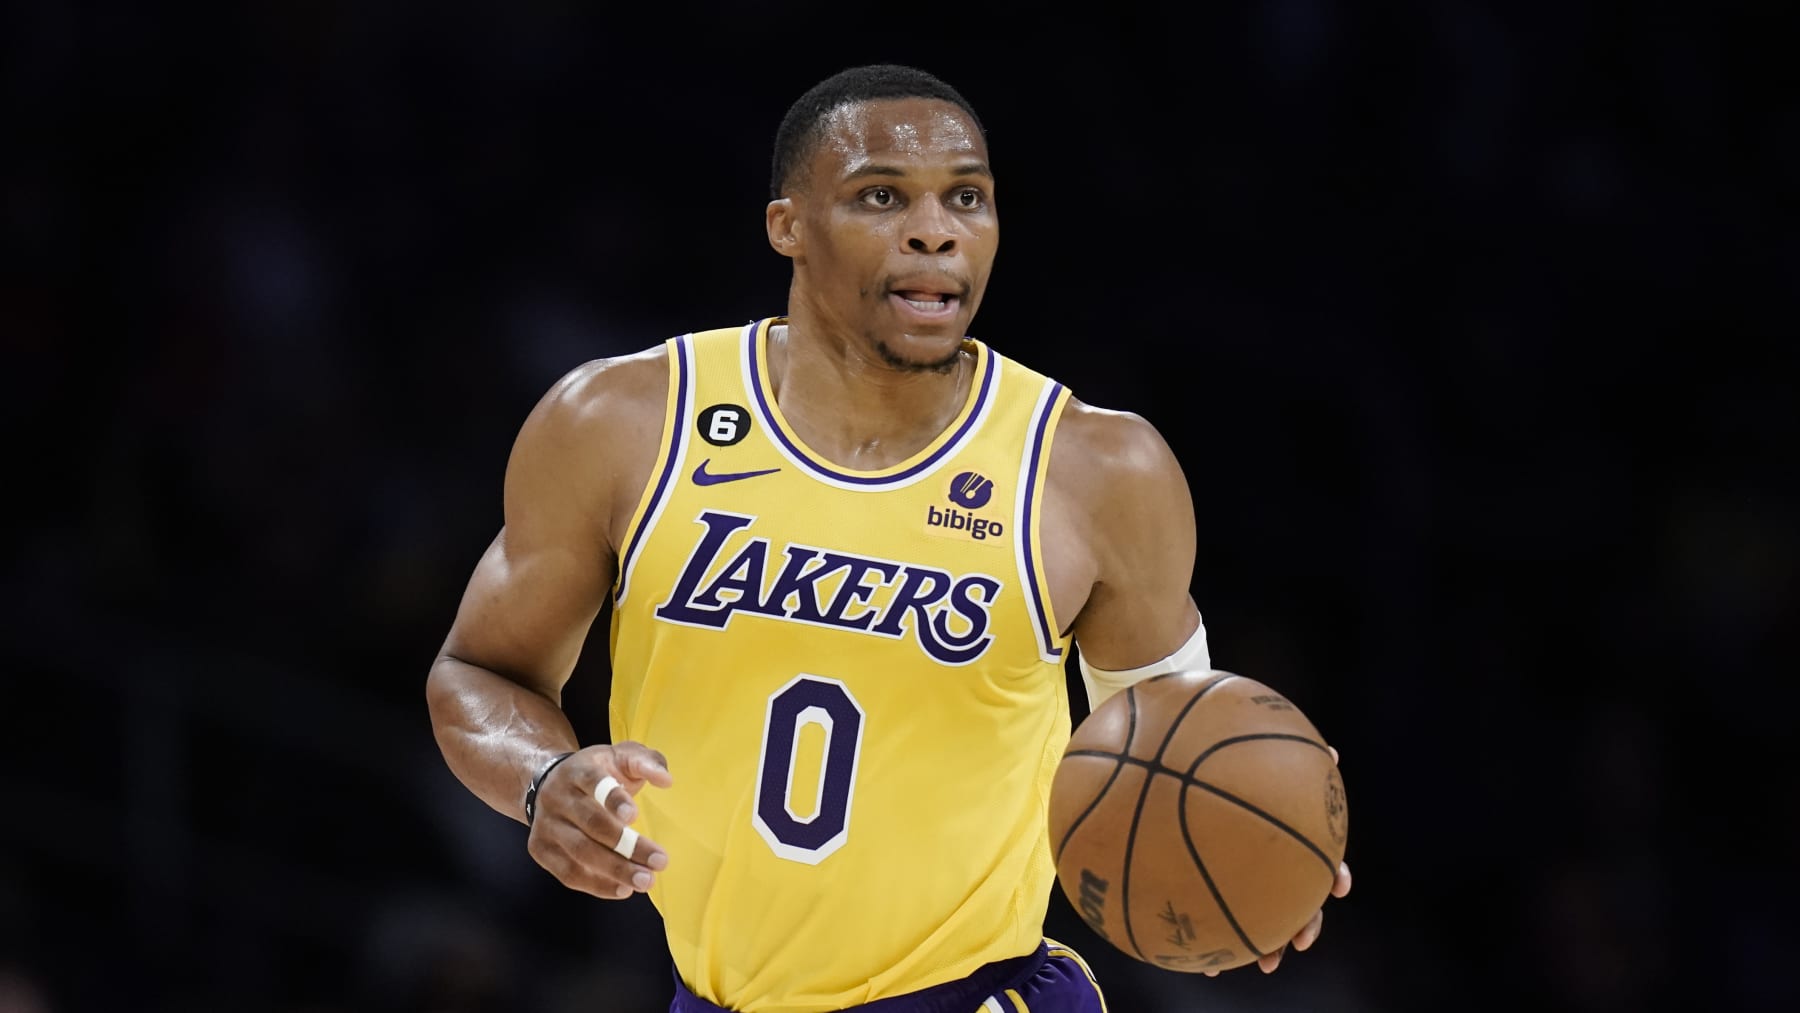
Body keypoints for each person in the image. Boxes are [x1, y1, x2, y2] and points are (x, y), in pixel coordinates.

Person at [425, 63, 1352, 1012]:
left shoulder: (1096, 471)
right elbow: (478, 673)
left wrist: (1256, 857)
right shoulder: (624, 421)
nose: (936, 228)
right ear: (788, 225)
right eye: (881, 195)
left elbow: (1175, 758)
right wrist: (543, 778)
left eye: (968, 198)